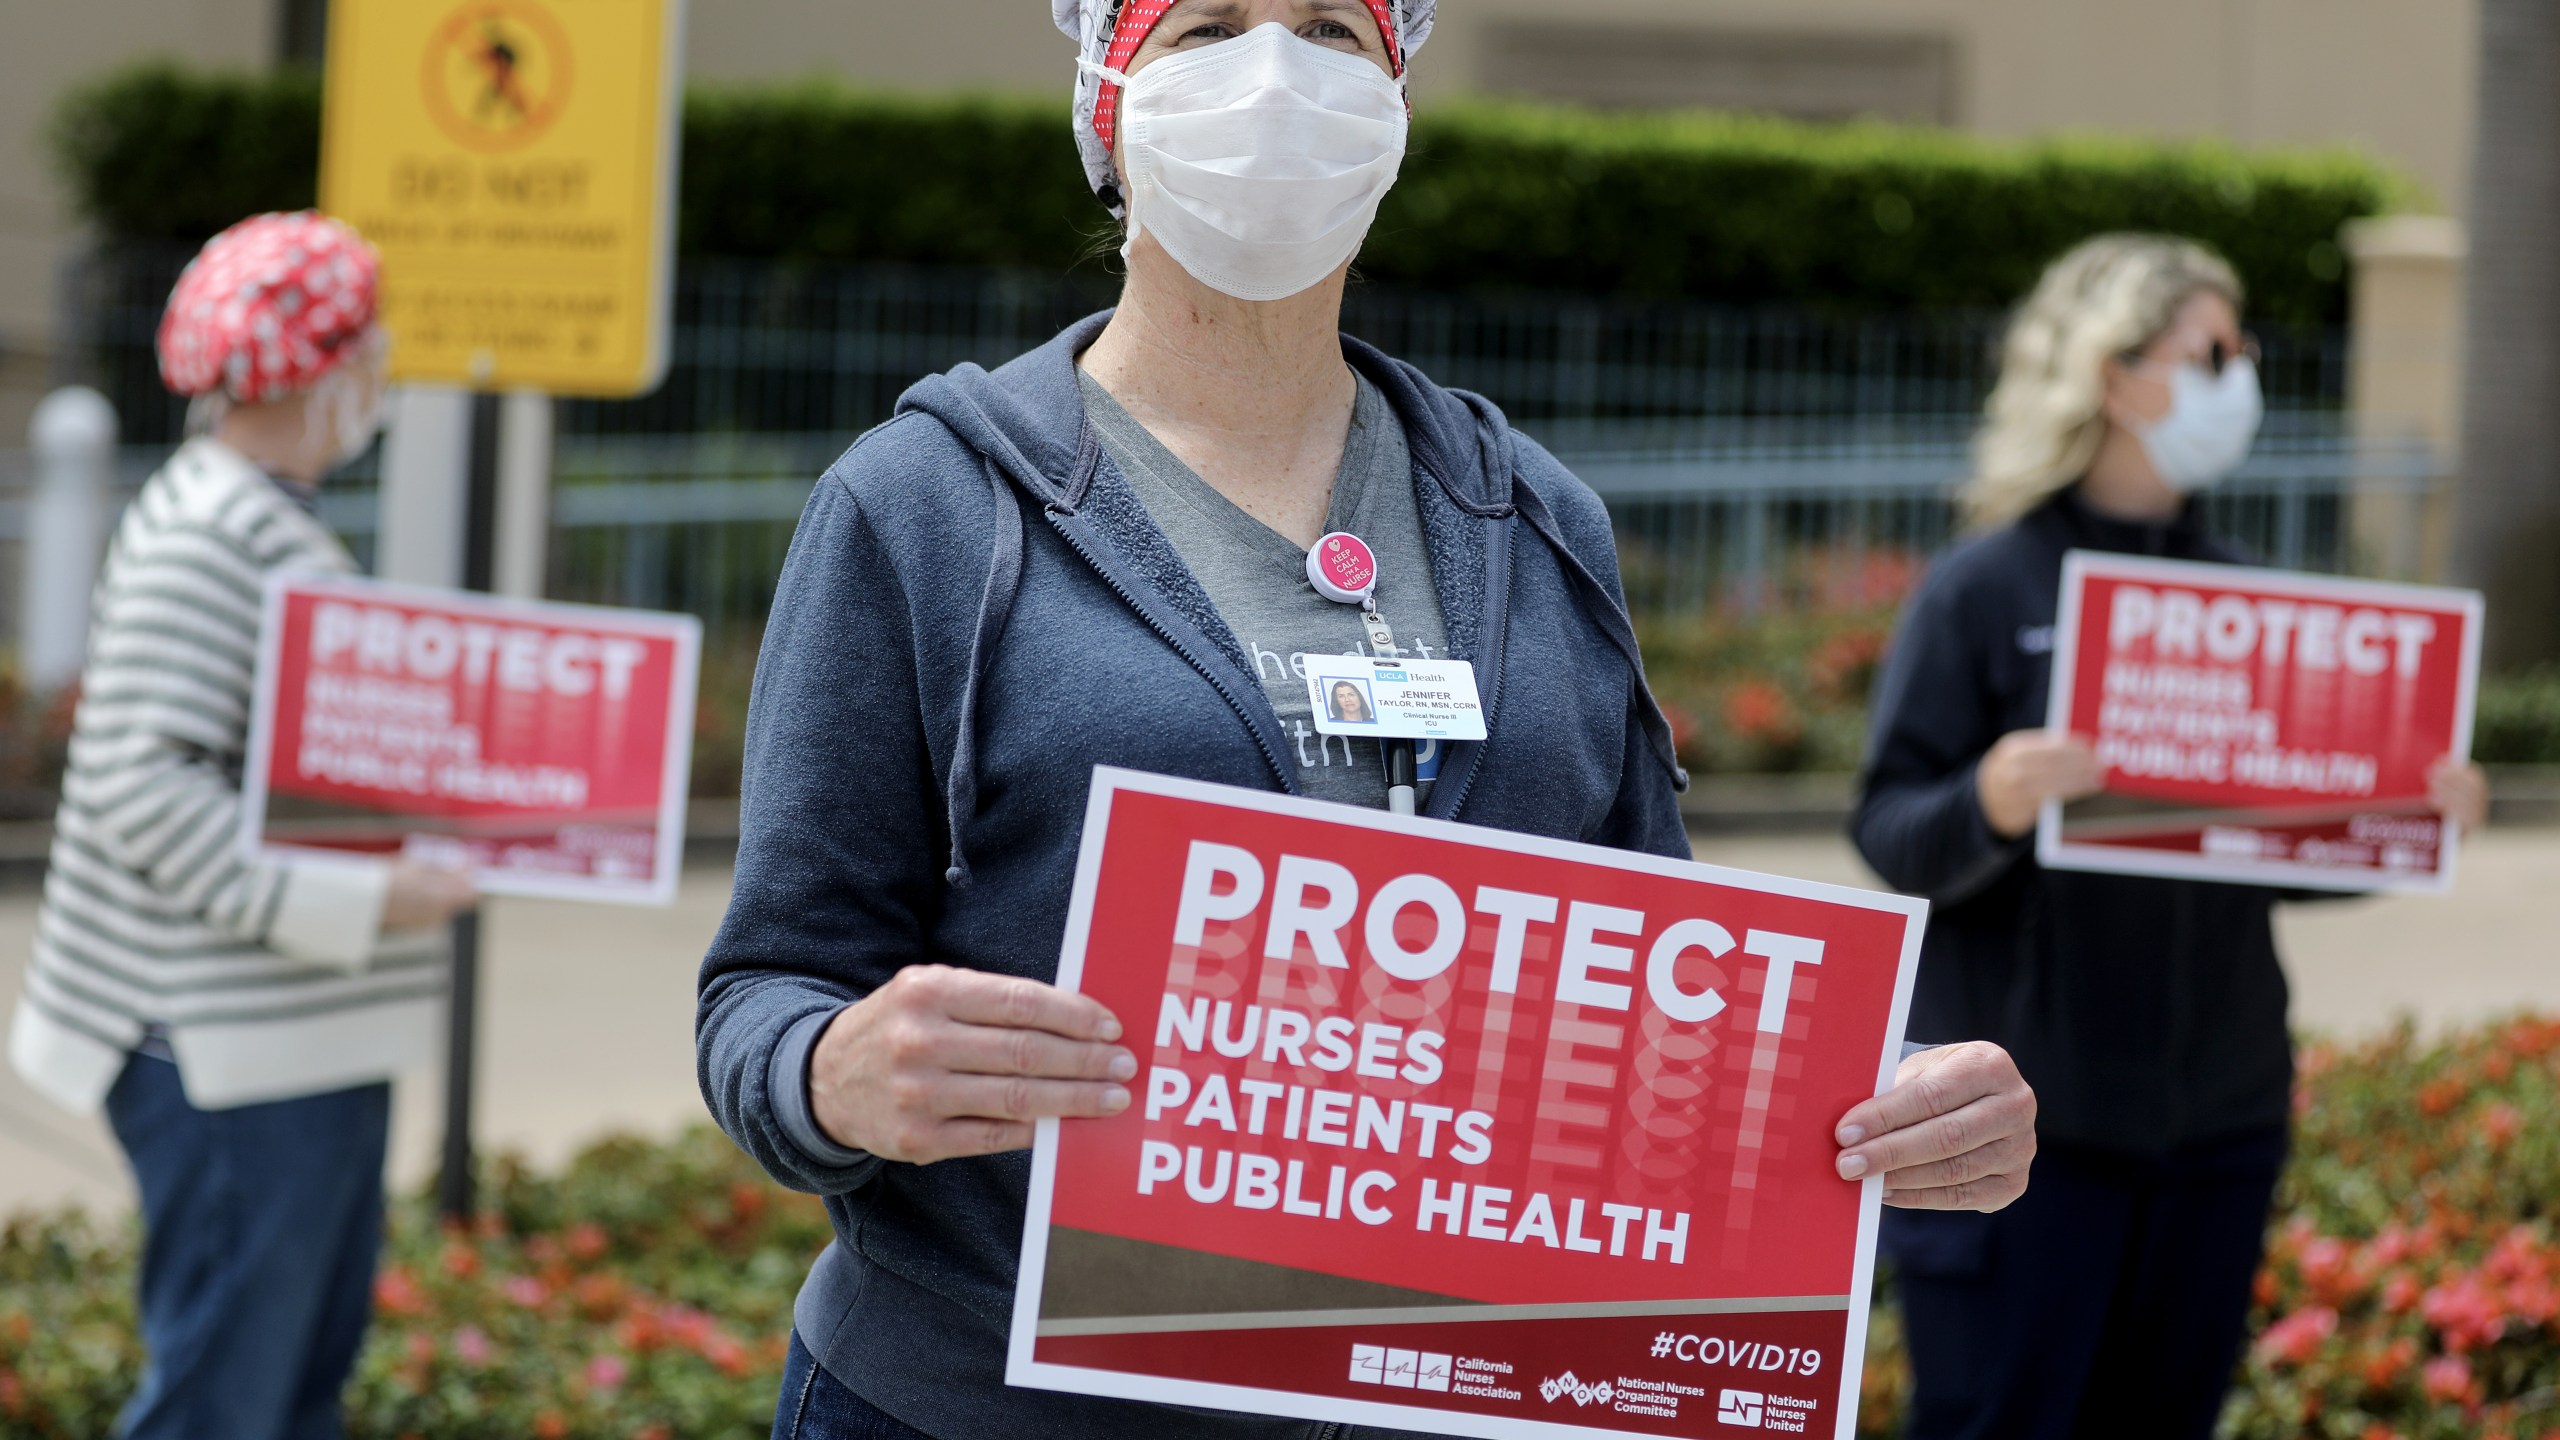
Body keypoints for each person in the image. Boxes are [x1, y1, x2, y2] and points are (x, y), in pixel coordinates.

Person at [698, 6, 2041, 1438]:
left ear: (1396, 100)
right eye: (1207, 23)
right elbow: (767, 990)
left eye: (1333, 27)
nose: (1276, 73)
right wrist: (830, 1075)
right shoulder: (920, 511)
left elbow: (1655, 990)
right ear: (1107, 101)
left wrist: (1877, 1106)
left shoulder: (1532, 521)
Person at [1852, 233, 2491, 1440]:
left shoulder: (2247, 598)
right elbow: (1890, 832)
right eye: (2209, 351)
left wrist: (2401, 819)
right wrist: (1990, 797)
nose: (2237, 376)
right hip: (2023, 1144)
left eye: (2241, 350)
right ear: (2113, 374)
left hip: (2218, 1130)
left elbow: (2258, 852)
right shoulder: (1982, 590)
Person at [6, 212, 479, 1440]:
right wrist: (372, 900)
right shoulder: (214, 535)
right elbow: (139, 786)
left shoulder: (233, 514)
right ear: (324, 366)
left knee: (277, 1387)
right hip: (222, 1050)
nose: (383, 367)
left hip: (269, 1040)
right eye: (371, 342)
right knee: (228, 1398)